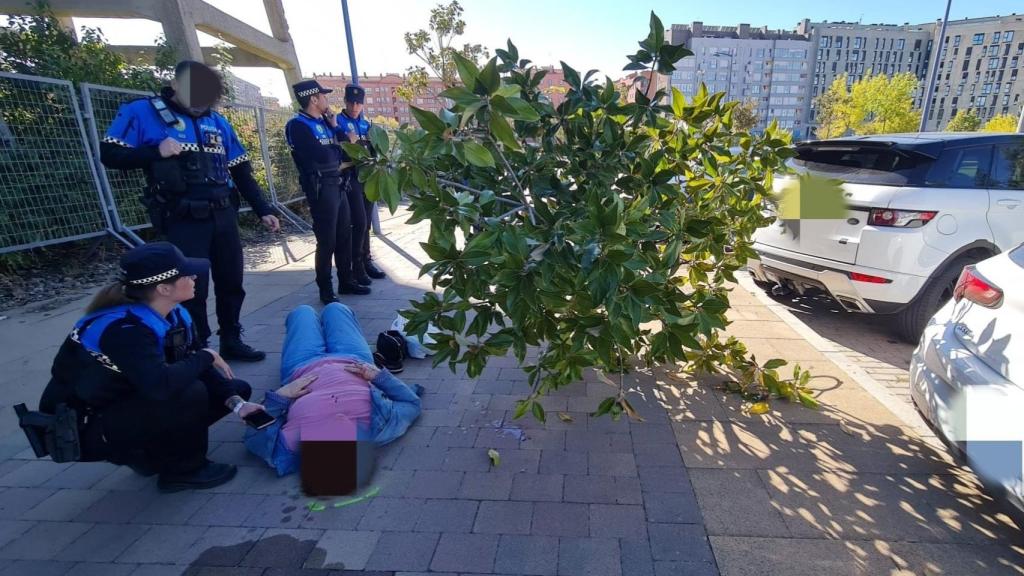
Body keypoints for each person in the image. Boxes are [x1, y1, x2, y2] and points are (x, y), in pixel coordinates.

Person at [38, 242, 263, 492]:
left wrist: (237, 403)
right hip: (83, 427)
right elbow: (163, 386)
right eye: (187, 275)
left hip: (128, 402)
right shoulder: (124, 329)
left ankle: (152, 454)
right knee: (191, 392)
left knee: (235, 389)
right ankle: (183, 471)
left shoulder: (173, 313)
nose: (194, 278)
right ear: (164, 288)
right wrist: (207, 356)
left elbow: (190, 358)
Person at [100, 60, 280, 362]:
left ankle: (231, 339)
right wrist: (155, 152)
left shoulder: (219, 122)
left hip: (223, 214)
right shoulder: (142, 112)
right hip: (183, 217)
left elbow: (241, 171)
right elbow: (110, 153)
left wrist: (264, 209)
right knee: (191, 287)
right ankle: (197, 348)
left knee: (231, 281)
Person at [244, 303, 422, 476]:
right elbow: (411, 403)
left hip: (301, 365)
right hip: (353, 357)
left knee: (302, 312)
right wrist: (379, 377)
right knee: (337, 309)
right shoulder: (382, 429)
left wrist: (280, 397)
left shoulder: (289, 448)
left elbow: (254, 435)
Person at [285, 79, 371, 304]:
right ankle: (325, 289)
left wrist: (336, 130)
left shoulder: (325, 122)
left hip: (339, 184)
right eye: (323, 96)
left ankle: (346, 280)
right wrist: (340, 148)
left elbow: (349, 152)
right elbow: (322, 157)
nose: (326, 99)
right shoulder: (298, 125)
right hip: (321, 188)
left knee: (345, 234)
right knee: (327, 241)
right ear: (314, 98)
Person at [336, 84, 387, 282]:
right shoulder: (337, 122)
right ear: (345, 101)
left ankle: (366, 261)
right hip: (350, 178)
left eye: (358, 103)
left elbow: (375, 151)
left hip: (368, 178)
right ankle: (356, 266)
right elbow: (338, 152)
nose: (355, 106)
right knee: (358, 223)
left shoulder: (367, 125)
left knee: (365, 223)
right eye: (351, 102)